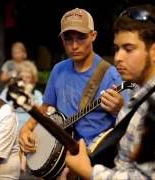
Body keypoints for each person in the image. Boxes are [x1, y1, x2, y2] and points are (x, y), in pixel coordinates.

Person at [65, 4, 155, 179]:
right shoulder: (143, 91)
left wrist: (89, 171)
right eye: (117, 49)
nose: (118, 58)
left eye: (128, 49)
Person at [19, 7, 125, 178]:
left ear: (93, 35)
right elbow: (46, 107)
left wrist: (119, 108)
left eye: (81, 38)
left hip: (92, 159)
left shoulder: (110, 75)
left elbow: (127, 124)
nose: (74, 45)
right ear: (62, 39)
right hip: (57, 153)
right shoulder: (58, 70)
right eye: (68, 39)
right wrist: (26, 128)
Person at [0, 60, 43, 130]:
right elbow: (0, 108)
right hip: (11, 126)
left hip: (30, 127)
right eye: (22, 77)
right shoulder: (8, 91)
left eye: (28, 77)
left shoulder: (37, 94)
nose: (24, 79)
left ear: (33, 79)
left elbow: (43, 111)